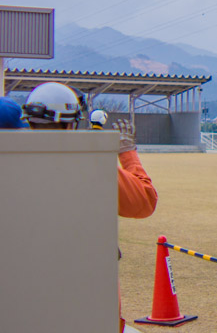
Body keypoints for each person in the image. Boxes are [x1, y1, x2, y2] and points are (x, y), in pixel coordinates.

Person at [22, 82, 158, 331]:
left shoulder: (13, 165)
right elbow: (145, 202)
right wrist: (128, 153)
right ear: (71, 123)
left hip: (26, 299)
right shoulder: (91, 166)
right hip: (88, 297)